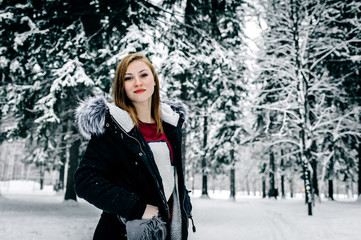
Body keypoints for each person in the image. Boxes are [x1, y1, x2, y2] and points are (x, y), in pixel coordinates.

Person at [74, 52, 194, 240]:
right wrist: (136, 207)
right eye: (129, 78)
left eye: (143, 75)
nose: (138, 82)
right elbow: (85, 181)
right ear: (122, 87)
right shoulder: (112, 127)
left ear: (154, 80)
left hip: (168, 230)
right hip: (123, 232)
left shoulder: (171, 124)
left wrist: (184, 204)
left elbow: (168, 176)